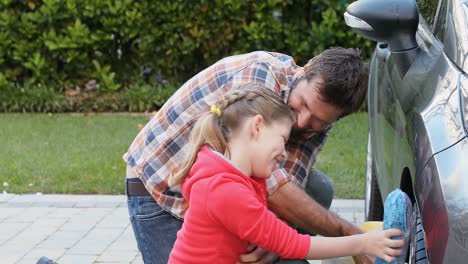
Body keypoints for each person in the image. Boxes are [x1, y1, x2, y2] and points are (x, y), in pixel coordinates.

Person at [124, 47, 370, 264]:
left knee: (317, 190)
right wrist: (348, 233)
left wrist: (275, 238)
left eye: (319, 120)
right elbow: (276, 189)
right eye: (303, 103)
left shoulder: (315, 126)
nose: (303, 121)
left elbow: (290, 180)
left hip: (223, 198)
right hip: (158, 188)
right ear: (306, 69)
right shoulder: (260, 74)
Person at [167, 86, 404, 263]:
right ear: (257, 127)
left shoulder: (228, 174)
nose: (283, 153)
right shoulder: (225, 190)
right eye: (282, 140)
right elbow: (294, 244)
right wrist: (362, 242)